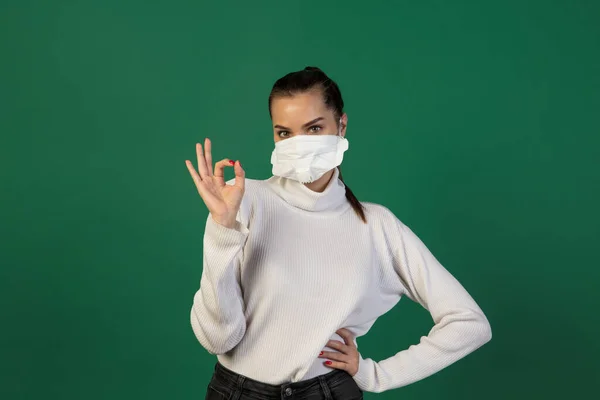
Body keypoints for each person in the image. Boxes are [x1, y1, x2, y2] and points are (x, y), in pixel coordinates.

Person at [185, 66, 492, 399]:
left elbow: (469, 323)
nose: (299, 144)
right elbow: (219, 340)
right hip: (239, 392)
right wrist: (222, 229)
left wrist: (376, 374)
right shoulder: (241, 201)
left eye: (314, 128)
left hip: (327, 392)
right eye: (285, 133)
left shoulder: (377, 226)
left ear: (341, 125)